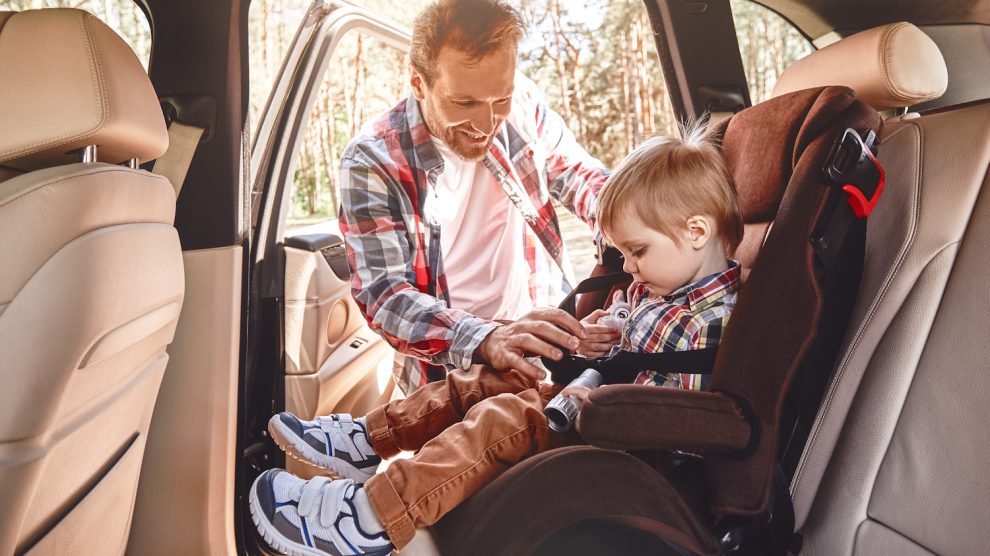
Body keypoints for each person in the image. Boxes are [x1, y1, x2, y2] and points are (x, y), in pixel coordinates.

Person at [248, 127, 745, 555]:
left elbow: (669, 407)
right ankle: (369, 439)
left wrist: (590, 391)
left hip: (624, 434)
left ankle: (367, 520)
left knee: (500, 420)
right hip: (586, 398)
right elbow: (632, 323)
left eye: (636, 251)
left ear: (697, 232)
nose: (629, 266)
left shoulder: (709, 321)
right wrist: (604, 331)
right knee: (486, 380)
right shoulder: (664, 283)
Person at [337, 0, 613, 395]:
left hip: (546, 345)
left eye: (499, 99)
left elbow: (580, 177)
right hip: (447, 371)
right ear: (419, 83)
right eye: (463, 103)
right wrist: (486, 339)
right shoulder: (371, 160)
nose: (486, 125)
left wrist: (635, 218)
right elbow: (385, 296)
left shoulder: (523, 107)